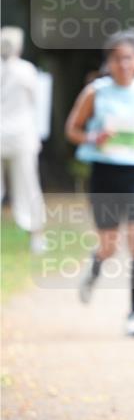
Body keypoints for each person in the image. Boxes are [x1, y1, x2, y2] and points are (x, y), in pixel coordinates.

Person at [65, 30, 134, 337]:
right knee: (109, 245)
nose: (123, 64)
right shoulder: (96, 91)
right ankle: (95, 268)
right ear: (109, 62)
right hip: (105, 173)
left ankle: (133, 314)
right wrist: (94, 137)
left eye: (129, 58)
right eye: (117, 58)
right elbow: (72, 130)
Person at [0, 26, 46, 253]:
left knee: (27, 184)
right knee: (28, 184)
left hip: (17, 133)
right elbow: (37, 102)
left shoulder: (22, 70)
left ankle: (35, 234)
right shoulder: (26, 70)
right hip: (21, 134)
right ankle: (36, 234)